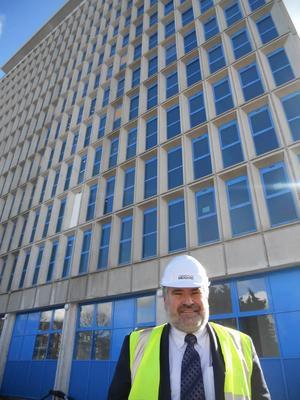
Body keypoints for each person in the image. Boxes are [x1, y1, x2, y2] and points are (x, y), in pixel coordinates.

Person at [108, 255, 270, 400]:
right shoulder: (135, 345)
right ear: (165, 302)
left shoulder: (242, 344)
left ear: (206, 297)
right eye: (178, 293)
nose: (188, 301)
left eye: (195, 292)